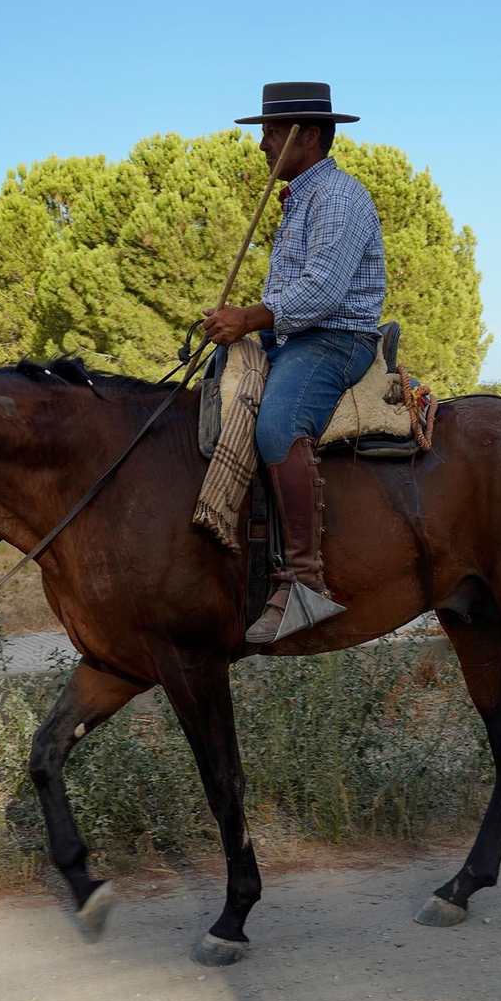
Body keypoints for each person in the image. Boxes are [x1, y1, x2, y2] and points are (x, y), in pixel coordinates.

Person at [202, 82, 386, 644]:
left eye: (272, 133)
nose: (262, 144)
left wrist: (249, 319)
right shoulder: (303, 198)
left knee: (279, 423)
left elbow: (325, 292)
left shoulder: (337, 196)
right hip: (297, 339)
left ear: (309, 136)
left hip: (334, 340)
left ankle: (305, 583)